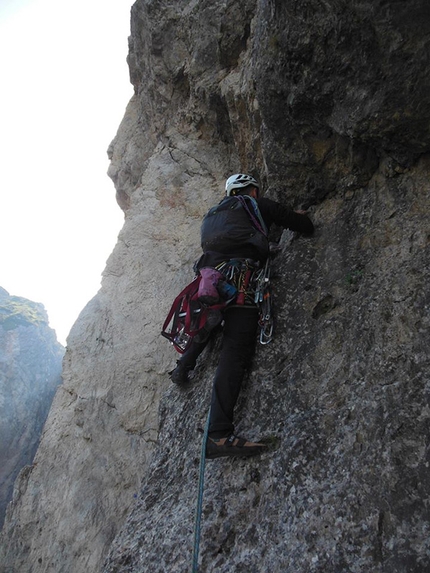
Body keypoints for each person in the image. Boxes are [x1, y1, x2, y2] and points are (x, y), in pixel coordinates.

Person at [170, 173, 314, 459]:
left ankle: (183, 366)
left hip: (210, 281)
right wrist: (299, 216)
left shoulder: (212, 216)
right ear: (249, 189)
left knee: (209, 321)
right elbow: (303, 226)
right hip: (241, 283)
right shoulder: (253, 204)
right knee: (234, 352)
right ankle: (219, 435)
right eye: (255, 191)